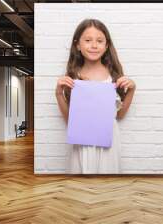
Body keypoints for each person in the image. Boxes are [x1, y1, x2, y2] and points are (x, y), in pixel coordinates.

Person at [55, 19, 136, 174]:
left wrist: (131, 90)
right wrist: (59, 93)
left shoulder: (113, 76)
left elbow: (119, 115)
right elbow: (69, 120)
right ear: (77, 45)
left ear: (106, 46)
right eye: (88, 40)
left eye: (99, 41)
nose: (94, 45)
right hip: (81, 141)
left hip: (108, 140)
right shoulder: (73, 77)